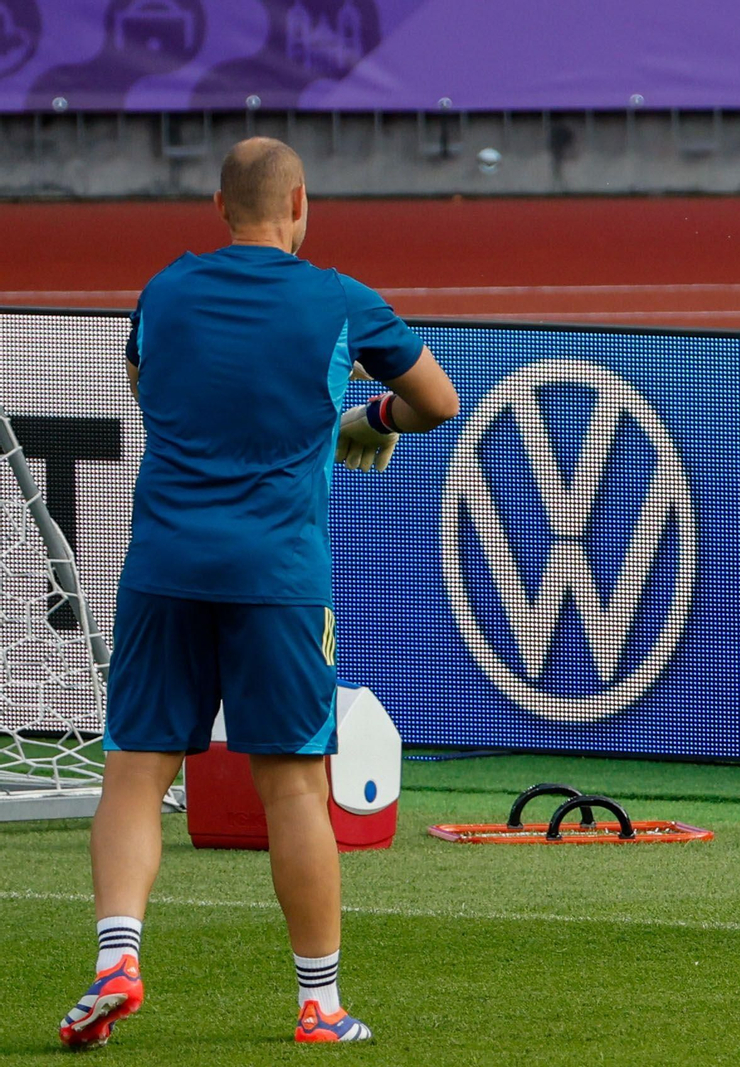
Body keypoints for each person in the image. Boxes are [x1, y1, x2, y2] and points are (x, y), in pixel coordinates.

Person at [58, 137, 459, 1048]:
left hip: (165, 566)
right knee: (292, 792)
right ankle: (319, 1003)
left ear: (218, 207)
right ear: (301, 204)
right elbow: (439, 401)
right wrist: (366, 416)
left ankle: (117, 956)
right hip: (277, 576)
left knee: (134, 770)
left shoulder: (163, 291)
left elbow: (147, 388)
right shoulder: (341, 301)